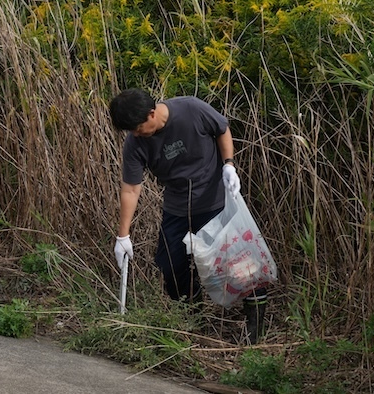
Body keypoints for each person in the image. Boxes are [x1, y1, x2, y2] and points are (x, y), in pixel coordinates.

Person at [109, 88, 268, 344]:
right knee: (170, 264)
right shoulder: (135, 143)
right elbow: (130, 188)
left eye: (138, 128)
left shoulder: (191, 109)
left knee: (240, 261)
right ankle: (191, 319)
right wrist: (123, 235)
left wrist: (229, 164)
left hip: (216, 199)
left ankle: (256, 319)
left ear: (152, 114)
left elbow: (222, 129)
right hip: (177, 206)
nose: (136, 134)